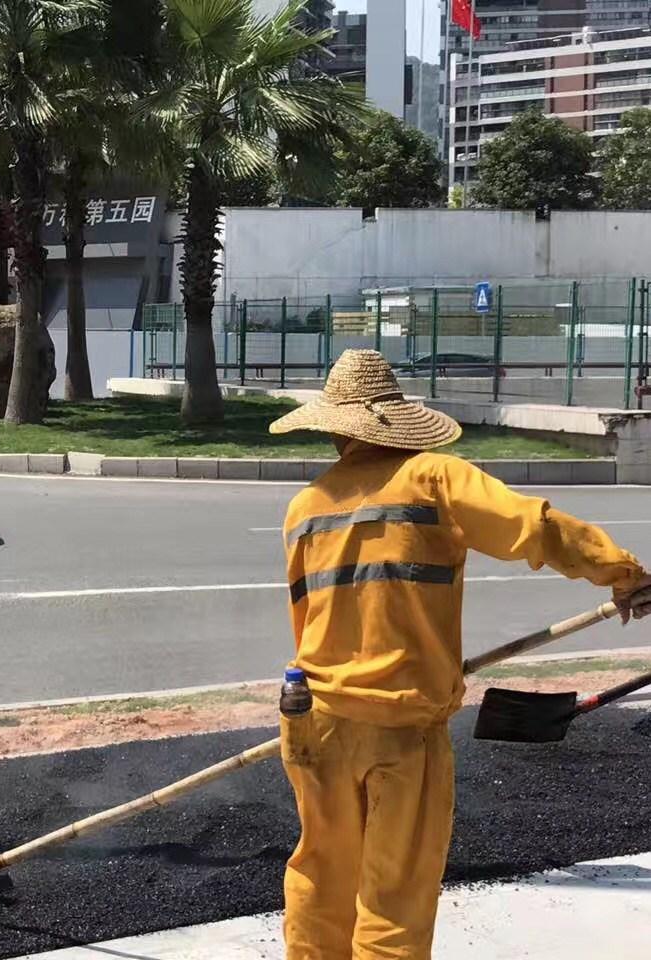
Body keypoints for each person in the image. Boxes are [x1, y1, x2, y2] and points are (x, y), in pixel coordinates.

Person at [267, 349, 651, 959]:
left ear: (335, 427)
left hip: (314, 717)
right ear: (396, 420)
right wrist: (621, 572)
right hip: (401, 724)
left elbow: (306, 617)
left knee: (321, 871)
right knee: (393, 898)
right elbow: (535, 527)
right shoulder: (434, 479)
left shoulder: (305, 507)